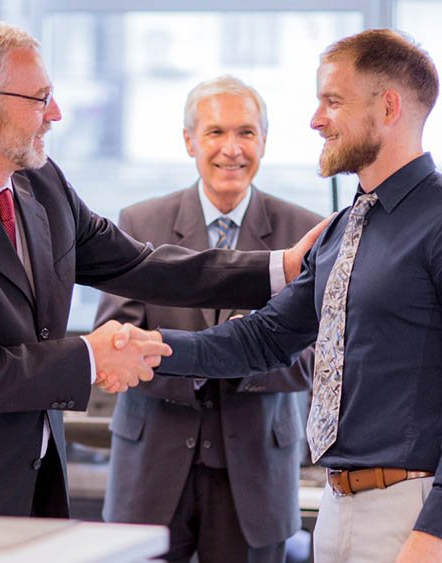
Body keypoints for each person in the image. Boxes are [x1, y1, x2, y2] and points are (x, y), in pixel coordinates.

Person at [0, 20, 322, 518]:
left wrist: (279, 267)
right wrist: (93, 357)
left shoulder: (40, 180)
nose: (56, 113)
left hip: (27, 484)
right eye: (40, 98)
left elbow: (139, 263)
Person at [144, 29, 442, 563]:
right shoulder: (345, 227)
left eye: (332, 101)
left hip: (414, 512)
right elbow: (266, 337)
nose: (316, 120)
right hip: (338, 504)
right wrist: (152, 348)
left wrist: (438, 529)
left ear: (388, 106)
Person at [96, 75, 322, 563]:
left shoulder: (303, 231)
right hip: (151, 466)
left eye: (246, 132)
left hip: (256, 471)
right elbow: (117, 344)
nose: (231, 149)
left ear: (264, 140)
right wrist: (229, 349)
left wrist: (211, 353)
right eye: (216, 132)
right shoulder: (141, 224)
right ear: (189, 141)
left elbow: (312, 360)